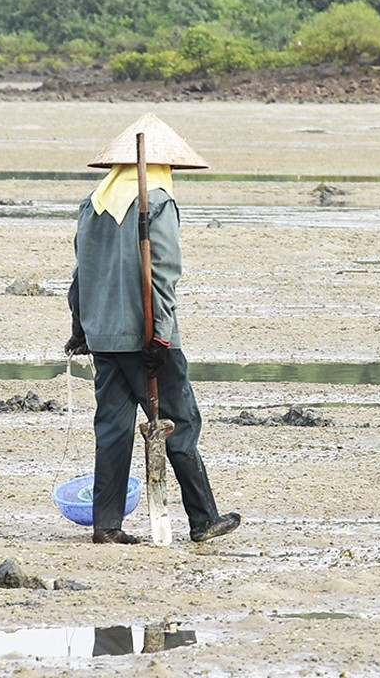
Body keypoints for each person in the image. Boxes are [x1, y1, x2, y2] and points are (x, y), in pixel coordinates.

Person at [65, 112, 240, 545]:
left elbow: (79, 275)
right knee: (179, 422)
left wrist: (80, 327)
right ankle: (203, 519)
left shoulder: (92, 205)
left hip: (102, 335)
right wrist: (161, 334)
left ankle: (107, 525)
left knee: (111, 428)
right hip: (146, 340)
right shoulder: (158, 203)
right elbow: (162, 273)